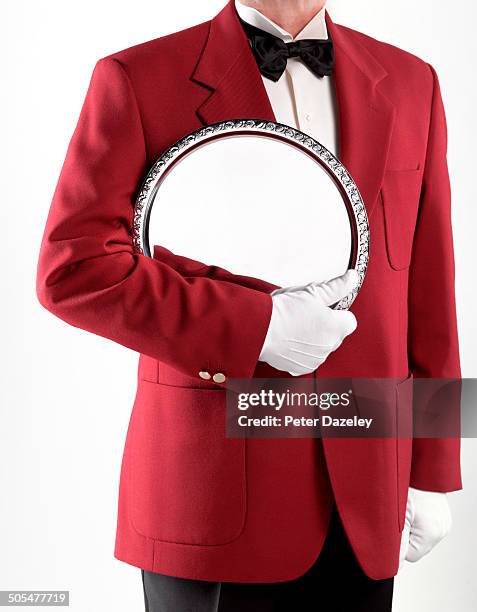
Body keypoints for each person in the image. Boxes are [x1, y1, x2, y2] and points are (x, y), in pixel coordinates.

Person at [36, 0, 461, 609]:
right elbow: (72, 269)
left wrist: (435, 465)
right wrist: (258, 329)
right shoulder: (137, 76)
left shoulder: (412, 80)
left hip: (368, 491)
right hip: (209, 500)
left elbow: (430, 289)